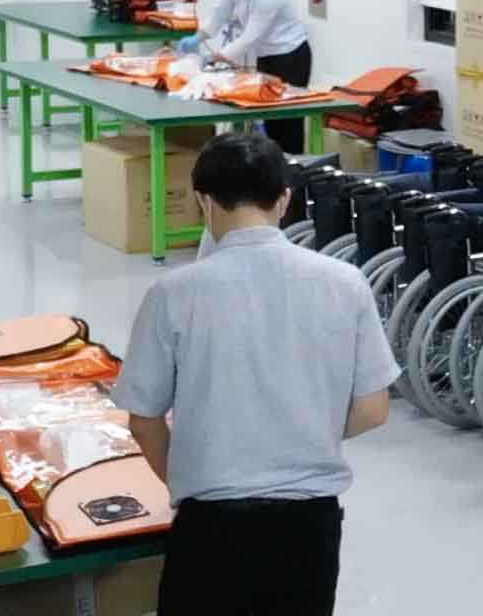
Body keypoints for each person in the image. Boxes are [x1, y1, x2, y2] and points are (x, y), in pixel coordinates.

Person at [115, 131, 395, 616]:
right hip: (309, 526)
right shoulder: (344, 283)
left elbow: (144, 421)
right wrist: (302, 429)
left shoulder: (174, 293)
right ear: (284, 200)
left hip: (212, 524)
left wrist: (185, 477)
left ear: (203, 202)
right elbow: (373, 409)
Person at [182, 0, 313, 154]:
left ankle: (292, 168)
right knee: (271, 122)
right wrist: (199, 36)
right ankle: (274, 168)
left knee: (288, 124)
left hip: (290, 57)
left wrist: (213, 58)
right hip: (265, 56)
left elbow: (250, 37)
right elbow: (222, 10)